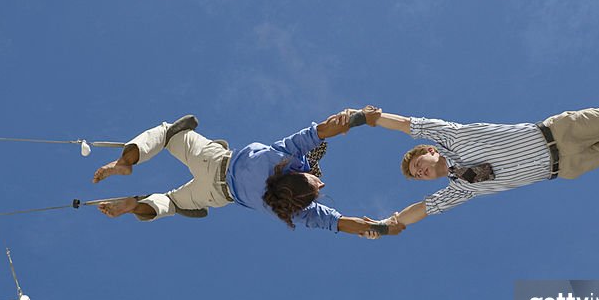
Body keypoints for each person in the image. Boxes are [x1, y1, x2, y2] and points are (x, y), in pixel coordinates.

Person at [367, 73, 599, 232]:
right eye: (418, 175)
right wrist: (390, 223)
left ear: (431, 152)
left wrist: (372, 119)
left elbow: (408, 125)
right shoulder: (459, 189)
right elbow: (423, 210)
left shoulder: (448, 136)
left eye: (419, 164)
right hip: (568, 166)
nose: (421, 172)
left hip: (559, 132)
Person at [91, 108, 402, 237]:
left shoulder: (286, 156)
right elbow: (332, 221)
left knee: (169, 133)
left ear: (304, 177)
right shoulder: (288, 211)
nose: (322, 182)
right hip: (218, 194)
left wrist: (359, 118)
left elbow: (317, 133)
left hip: (216, 161)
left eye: (317, 183)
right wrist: (377, 228)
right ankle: (136, 205)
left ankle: (126, 161)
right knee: (173, 203)